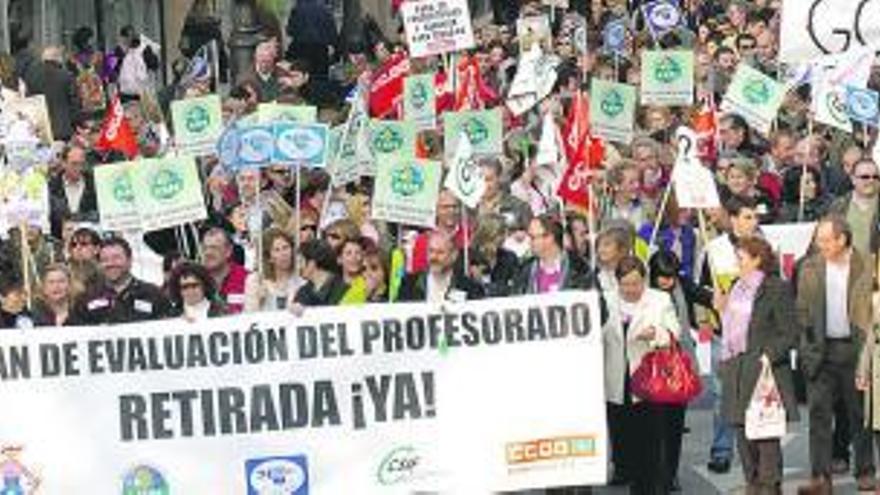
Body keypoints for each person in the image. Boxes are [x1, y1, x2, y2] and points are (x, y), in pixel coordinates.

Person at [795, 216, 876, 494]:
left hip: (855, 350)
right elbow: (802, 311)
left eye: (826, 240)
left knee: (859, 415)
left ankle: (865, 471)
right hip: (821, 350)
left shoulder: (866, 264)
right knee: (818, 416)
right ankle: (821, 477)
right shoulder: (810, 266)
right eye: (819, 239)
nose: (821, 245)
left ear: (843, 239)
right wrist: (806, 350)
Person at [715, 236, 799, 495]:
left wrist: (768, 355)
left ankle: (769, 486)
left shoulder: (776, 288)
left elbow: (790, 333)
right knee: (742, 433)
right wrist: (721, 310)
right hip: (737, 369)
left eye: (741, 258)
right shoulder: (736, 287)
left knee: (765, 434)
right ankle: (752, 482)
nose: (736, 263)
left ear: (757, 260)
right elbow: (731, 330)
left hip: (765, 373)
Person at [603, 255, 681, 493]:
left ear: (644, 280)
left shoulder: (659, 299)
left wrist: (656, 334)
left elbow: (674, 332)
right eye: (625, 284)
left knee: (649, 442)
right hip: (616, 380)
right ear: (617, 283)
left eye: (636, 283)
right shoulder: (606, 301)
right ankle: (628, 471)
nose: (631, 289)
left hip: (649, 381)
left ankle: (646, 487)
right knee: (623, 438)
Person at [649, 250, 713, 491]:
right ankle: (655, 472)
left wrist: (720, 298)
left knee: (675, 425)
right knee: (655, 425)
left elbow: (704, 296)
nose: (667, 281)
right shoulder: (645, 293)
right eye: (662, 277)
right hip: (653, 366)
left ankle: (670, 473)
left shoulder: (682, 285)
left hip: (680, 365)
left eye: (671, 276)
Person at [70, 236, 169, 325]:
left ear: (129, 260)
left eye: (116, 258)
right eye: (105, 259)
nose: (111, 263)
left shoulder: (153, 294)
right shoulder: (87, 298)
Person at [513, 215, 594, 295]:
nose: (529, 242)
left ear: (549, 237)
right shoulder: (524, 270)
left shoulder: (580, 268)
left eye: (533, 237)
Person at [398, 231, 484, 303]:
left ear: (454, 255)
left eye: (440, 252)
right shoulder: (410, 283)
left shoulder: (468, 286)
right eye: (431, 251)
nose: (434, 257)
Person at [828, 159, 880, 259]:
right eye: (865, 177)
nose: (871, 180)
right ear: (853, 179)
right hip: (844, 266)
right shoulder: (838, 206)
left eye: (876, 177)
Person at [27, 46, 80, 141]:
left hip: (42, 129)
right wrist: (76, 124)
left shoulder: (31, 77)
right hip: (63, 128)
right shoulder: (66, 76)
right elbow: (74, 104)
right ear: (58, 59)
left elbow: (30, 102)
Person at [244, 228, 303, 312]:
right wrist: (258, 301)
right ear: (269, 258)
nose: (283, 254)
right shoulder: (256, 280)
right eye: (277, 250)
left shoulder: (300, 281)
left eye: (286, 247)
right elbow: (248, 317)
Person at [49, 144, 97, 240]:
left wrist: (79, 224)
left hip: (89, 241)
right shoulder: (50, 187)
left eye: (81, 164)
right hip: (59, 241)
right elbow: (49, 218)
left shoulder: (95, 185)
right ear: (63, 163)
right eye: (74, 164)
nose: (78, 168)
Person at [285, 0, 339, 79]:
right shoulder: (326, 10)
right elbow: (333, 35)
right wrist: (336, 55)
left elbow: (290, 31)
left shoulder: (297, 8)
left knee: (300, 81)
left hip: (300, 50)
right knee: (319, 82)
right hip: (320, 53)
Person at [201, 227, 248, 314]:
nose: (208, 253)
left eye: (214, 248)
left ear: (228, 251)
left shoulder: (247, 279)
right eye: (204, 248)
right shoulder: (195, 280)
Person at [294, 239, 349, 307]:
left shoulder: (342, 289)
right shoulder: (302, 292)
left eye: (300, 261)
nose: (298, 267)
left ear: (312, 263)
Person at [115, 25, 160, 101]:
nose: (124, 42)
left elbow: (154, 66)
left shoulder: (144, 49)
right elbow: (115, 69)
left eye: (125, 39)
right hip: (125, 93)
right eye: (123, 40)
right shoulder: (120, 50)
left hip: (141, 94)